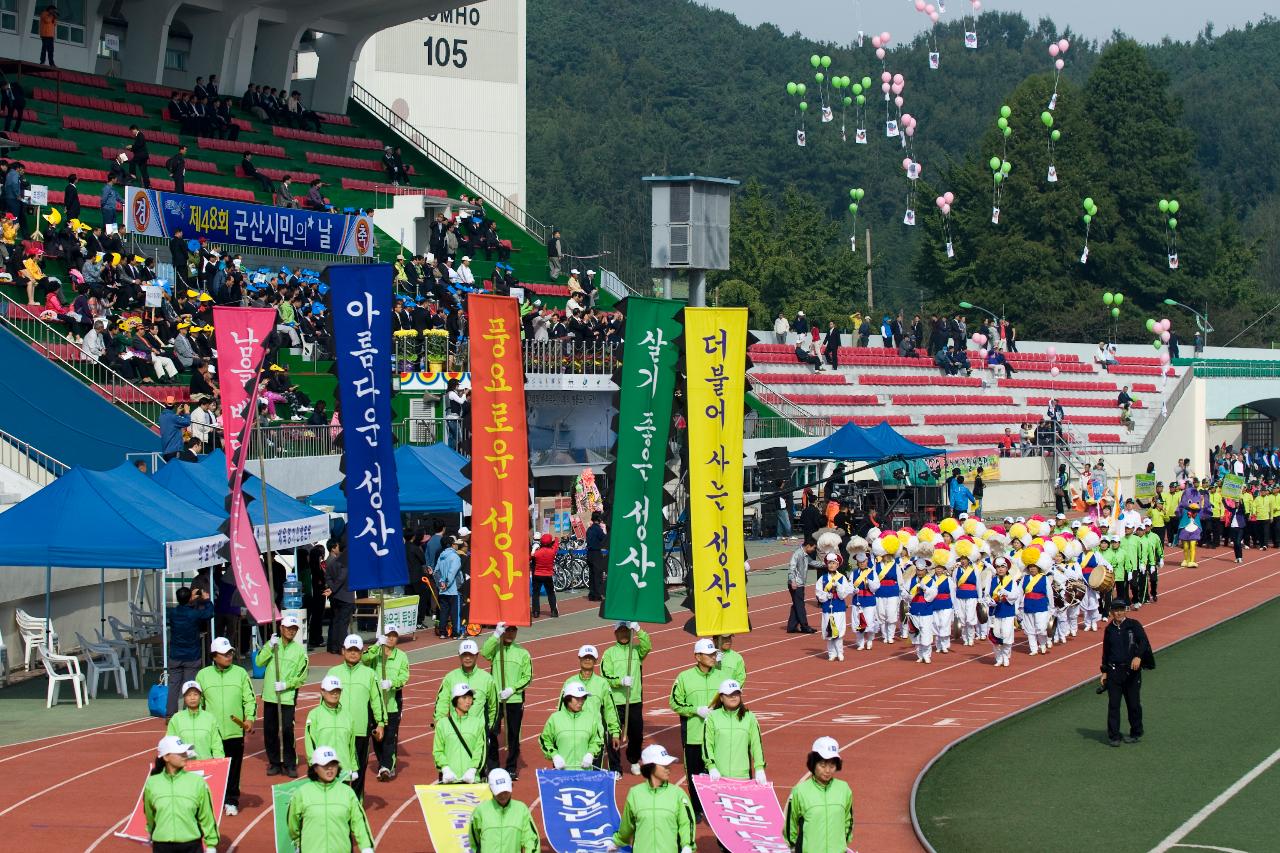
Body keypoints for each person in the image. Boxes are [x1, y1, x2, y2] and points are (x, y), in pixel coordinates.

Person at [196, 637, 254, 816]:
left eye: (230, 653)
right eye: (224, 654)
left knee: (233, 768)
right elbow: (198, 702)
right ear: (214, 656)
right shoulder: (203, 675)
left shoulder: (241, 673)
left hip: (234, 732)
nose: (228, 656)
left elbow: (249, 698)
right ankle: (210, 799)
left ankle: (231, 800)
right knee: (211, 767)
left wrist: (249, 718)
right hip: (212, 733)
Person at [325, 634, 387, 799]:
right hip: (337, 729)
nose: (353, 653)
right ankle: (337, 799)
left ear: (361, 652)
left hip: (360, 730)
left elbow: (377, 700)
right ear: (343, 651)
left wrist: (381, 722)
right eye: (350, 650)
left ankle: (356, 801)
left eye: (357, 650)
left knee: (359, 769)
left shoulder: (369, 674)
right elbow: (323, 700)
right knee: (335, 766)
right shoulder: (333, 672)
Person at [607, 744, 695, 853]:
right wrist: (616, 842)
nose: (668, 768)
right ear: (651, 766)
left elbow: (686, 823)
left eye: (668, 764)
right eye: (664, 765)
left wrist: (687, 846)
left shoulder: (678, 794)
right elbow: (627, 827)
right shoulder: (635, 793)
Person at [668, 638, 721, 820]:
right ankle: (697, 809)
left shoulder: (721, 677)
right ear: (698, 656)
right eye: (709, 654)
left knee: (715, 774)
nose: (713, 657)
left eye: (714, 653)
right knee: (694, 774)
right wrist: (695, 710)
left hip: (717, 737)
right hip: (694, 735)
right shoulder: (684, 677)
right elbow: (674, 702)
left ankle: (715, 808)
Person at [286, 746, 375, 853]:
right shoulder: (302, 793)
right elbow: (293, 824)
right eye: (325, 765)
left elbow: (359, 823)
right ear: (315, 768)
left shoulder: (347, 793)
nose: (330, 768)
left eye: (333, 764)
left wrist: (366, 847)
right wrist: (297, 843)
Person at [144, 736, 220, 853]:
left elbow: (207, 815)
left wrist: (211, 845)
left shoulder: (197, 782)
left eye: (185, 751)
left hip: (191, 846)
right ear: (166, 757)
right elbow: (150, 814)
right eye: (180, 753)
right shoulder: (152, 783)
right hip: (161, 846)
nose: (185, 755)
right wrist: (150, 831)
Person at [255, 615, 308, 777]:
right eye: (288, 628)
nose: (291, 631)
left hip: (287, 696)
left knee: (287, 729)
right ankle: (274, 762)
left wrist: (287, 684)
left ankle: (290, 763)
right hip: (270, 696)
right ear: (281, 628)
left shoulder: (299, 651)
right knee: (270, 731)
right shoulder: (273, 646)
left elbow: (302, 675)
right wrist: (269, 646)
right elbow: (258, 662)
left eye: (294, 629)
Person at [784, 737, 854, 852]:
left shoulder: (844, 789)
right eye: (822, 765)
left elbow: (848, 821)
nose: (827, 770)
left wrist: (841, 844)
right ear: (813, 763)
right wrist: (793, 846)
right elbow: (790, 824)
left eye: (832, 766)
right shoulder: (800, 791)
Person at [1099, 598, 1154, 746]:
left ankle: (1136, 732)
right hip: (1114, 672)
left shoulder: (1133, 625)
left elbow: (1144, 642)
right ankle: (1114, 736)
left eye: (1121, 609)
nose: (1119, 613)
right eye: (1116, 610)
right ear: (1111, 612)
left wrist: (1138, 657)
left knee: (1133, 704)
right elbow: (1106, 651)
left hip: (1131, 671)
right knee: (1114, 705)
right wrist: (1104, 671)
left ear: (1125, 610)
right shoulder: (1109, 629)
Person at [482, 622, 533, 777]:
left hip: (514, 700)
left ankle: (511, 767)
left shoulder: (523, 653)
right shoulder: (496, 650)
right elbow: (484, 653)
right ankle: (493, 766)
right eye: (507, 630)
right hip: (495, 699)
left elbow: (528, 676)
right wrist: (495, 635)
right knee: (491, 732)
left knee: (513, 735)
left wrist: (512, 689)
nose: (510, 633)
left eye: (513, 630)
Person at [601, 621, 650, 774]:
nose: (623, 634)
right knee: (613, 736)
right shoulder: (609, 653)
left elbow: (647, 645)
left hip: (634, 700)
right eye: (620, 631)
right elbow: (605, 675)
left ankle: (634, 759)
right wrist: (620, 681)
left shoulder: (636, 651)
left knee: (636, 735)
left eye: (627, 631)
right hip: (615, 702)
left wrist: (639, 629)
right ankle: (615, 767)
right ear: (615, 633)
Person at [363, 626, 410, 781]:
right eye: (388, 635)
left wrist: (391, 683)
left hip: (392, 703)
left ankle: (386, 767)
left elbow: (404, 677)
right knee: (377, 736)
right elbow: (364, 659)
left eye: (394, 635)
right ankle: (383, 762)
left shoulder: (401, 656)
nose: (391, 638)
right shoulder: (375, 653)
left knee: (390, 736)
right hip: (375, 704)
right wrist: (377, 645)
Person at [564, 644, 622, 769]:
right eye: (585, 657)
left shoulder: (602, 683)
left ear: (596, 660)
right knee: (573, 771)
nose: (587, 660)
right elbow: (561, 709)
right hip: (574, 734)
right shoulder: (569, 682)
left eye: (590, 657)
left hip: (595, 737)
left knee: (593, 774)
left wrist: (615, 733)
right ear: (579, 658)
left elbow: (610, 709)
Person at [702, 679, 767, 784]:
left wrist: (760, 768)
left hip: (743, 777)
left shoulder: (749, 717)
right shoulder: (712, 717)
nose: (733, 696)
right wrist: (711, 767)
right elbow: (707, 745)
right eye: (729, 694)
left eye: (736, 693)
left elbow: (756, 745)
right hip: (718, 777)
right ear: (721, 698)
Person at [468, 768, 541, 852]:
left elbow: (531, 840)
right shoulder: (480, 811)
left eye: (505, 791)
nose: (503, 796)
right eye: (499, 792)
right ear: (491, 789)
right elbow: (474, 841)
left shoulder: (521, 810)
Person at [166, 586, 212, 716]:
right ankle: (187, 713)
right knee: (189, 685)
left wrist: (188, 599)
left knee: (173, 685)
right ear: (189, 599)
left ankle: (170, 713)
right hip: (191, 655)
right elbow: (209, 614)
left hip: (175, 654)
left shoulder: (173, 613)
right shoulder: (194, 614)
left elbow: (184, 607)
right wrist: (206, 600)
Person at [304, 676, 358, 784]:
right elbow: (310, 743)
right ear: (322, 692)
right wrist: (313, 764)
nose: (335, 694)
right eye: (331, 691)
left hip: (344, 772)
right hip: (323, 770)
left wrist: (354, 767)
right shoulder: (314, 715)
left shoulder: (348, 716)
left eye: (337, 691)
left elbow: (352, 745)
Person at [540, 681, 604, 770]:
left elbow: (597, 741)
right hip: (562, 775)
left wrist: (591, 754)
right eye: (577, 698)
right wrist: (554, 756)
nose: (581, 702)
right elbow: (545, 740)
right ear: (567, 698)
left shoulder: (590, 718)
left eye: (583, 698)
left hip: (584, 774)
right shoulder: (555, 718)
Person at [436, 682, 487, 783]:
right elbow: (438, 751)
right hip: (449, 779)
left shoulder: (478, 723)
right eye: (464, 698)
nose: (468, 701)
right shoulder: (443, 724)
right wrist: (445, 769)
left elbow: (480, 750)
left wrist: (472, 770)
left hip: (472, 780)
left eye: (470, 698)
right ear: (455, 700)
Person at [165, 681, 224, 759]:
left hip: (206, 765)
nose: (192, 698)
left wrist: (219, 761)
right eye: (189, 695)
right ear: (184, 697)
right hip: (184, 766)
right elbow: (170, 743)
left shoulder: (210, 718)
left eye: (195, 694)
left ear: (200, 697)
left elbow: (217, 744)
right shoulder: (176, 719)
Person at [323, 537, 354, 653]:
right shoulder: (344, 560)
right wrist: (333, 588)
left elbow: (328, 577)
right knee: (342, 622)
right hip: (345, 595)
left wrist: (332, 588)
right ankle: (341, 646)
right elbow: (342, 577)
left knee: (336, 621)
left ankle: (333, 646)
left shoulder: (331, 561)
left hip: (336, 596)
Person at [785, 540, 819, 634]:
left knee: (796, 604)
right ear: (808, 545)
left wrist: (827, 564)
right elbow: (791, 568)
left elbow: (813, 563)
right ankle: (804, 626)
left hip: (800, 584)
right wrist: (793, 581)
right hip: (796, 584)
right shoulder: (797, 554)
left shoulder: (805, 555)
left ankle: (791, 627)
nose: (813, 550)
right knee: (800, 605)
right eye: (813, 547)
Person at [435, 535, 463, 637]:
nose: (456, 545)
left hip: (443, 590)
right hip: (453, 589)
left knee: (444, 612)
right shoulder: (455, 557)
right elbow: (452, 572)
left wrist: (441, 584)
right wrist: (446, 583)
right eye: (455, 543)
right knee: (455, 612)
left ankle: (443, 633)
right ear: (452, 545)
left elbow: (436, 572)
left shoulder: (441, 556)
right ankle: (456, 633)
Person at [530, 533, 559, 619]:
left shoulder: (537, 553)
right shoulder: (552, 551)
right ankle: (554, 611)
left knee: (536, 593)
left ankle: (536, 612)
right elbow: (556, 544)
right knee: (550, 593)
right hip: (548, 575)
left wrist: (534, 549)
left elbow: (530, 557)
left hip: (537, 574)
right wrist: (556, 538)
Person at [585, 511, 607, 602]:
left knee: (591, 574)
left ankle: (592, 594)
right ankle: (598, 595)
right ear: (599, 519)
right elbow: (604, 538)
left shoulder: (589, 529)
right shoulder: (598, 529)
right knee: (598, 575)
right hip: (596, 553)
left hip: (589, 553)